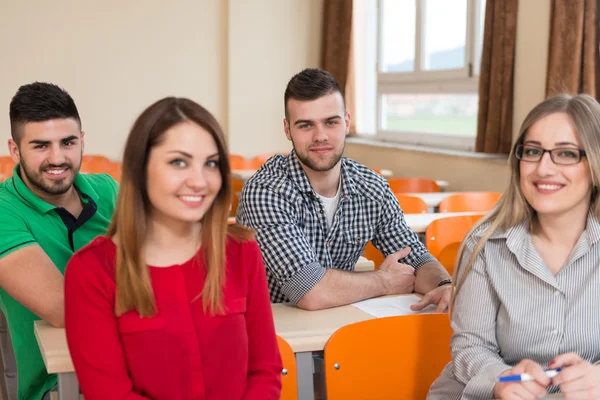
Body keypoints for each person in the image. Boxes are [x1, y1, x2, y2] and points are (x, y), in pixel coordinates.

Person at [64, 97, 282, 400]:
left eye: (211, 163)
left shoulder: (242, 253)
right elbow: (110, 394)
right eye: (178, 162)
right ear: (140, 169)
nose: (199, 181)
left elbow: (264, 371)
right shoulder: (92, 271)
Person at [427, 94, 600, 400]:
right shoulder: (485, 244)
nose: (543, 169)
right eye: (532, 151)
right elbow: (470, 347)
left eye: (566, 154)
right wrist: (501, 379)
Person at [236, 68, 451, 311]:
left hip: (343, 321)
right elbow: (309, 291)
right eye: (306, 125)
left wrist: (444, 285)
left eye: (331, 122)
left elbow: (415, 257)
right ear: (287, 130)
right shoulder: (265, 191)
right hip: (278, 336)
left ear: (346, 122)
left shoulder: (372, 187)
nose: (320, 136)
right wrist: (384, 281)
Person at [0, 82, 118, 400]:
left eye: (67, 143)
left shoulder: (108, 189)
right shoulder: (3, 211)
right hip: (58, 386)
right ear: (15, 150)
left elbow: (173, 271)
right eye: (40, 146)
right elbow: (66, 309)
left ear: (81, 141)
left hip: (139, 362)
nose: (57, 158)